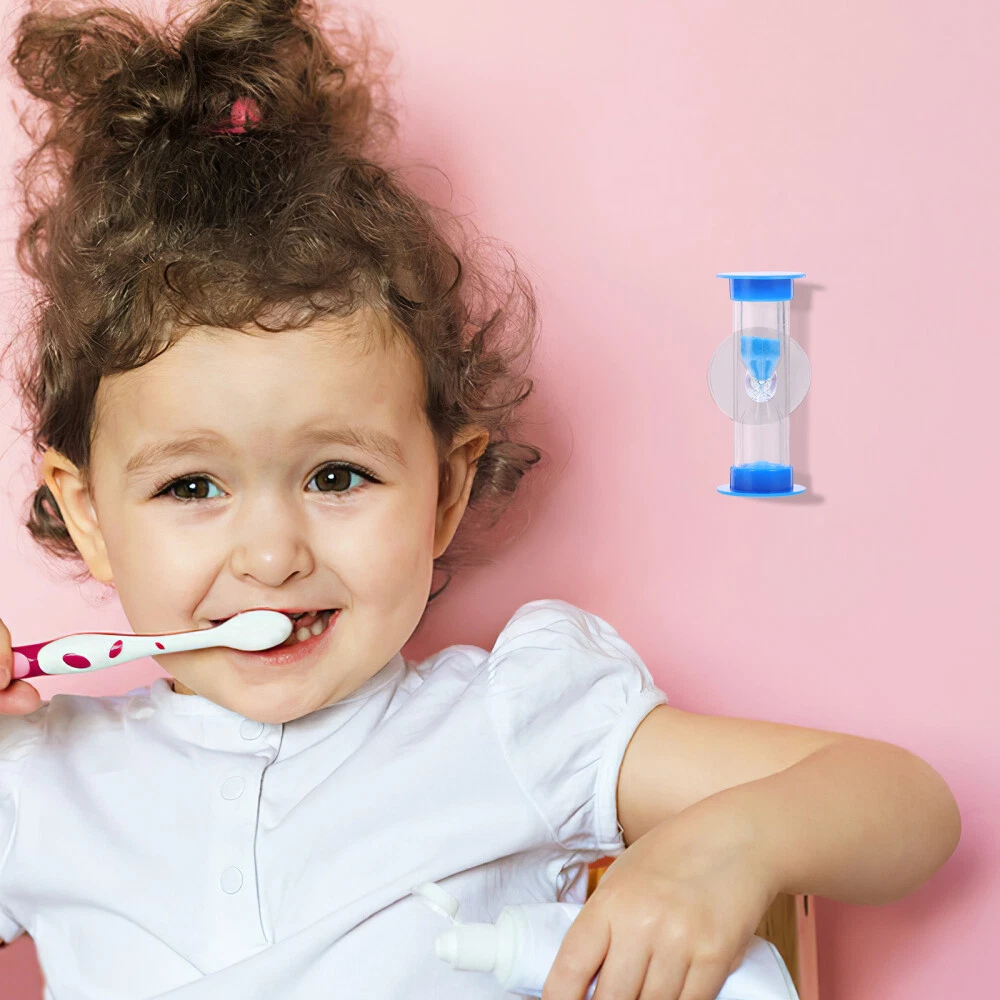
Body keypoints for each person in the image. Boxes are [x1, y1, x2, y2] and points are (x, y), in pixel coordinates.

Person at [0, 1, 961, 998]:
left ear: (447, 489)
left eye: (337, 476)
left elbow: (911, 807)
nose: (273, 555)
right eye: (191, 486)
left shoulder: (509, 730)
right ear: (88, 515)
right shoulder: (35, 785)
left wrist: (729, 846)